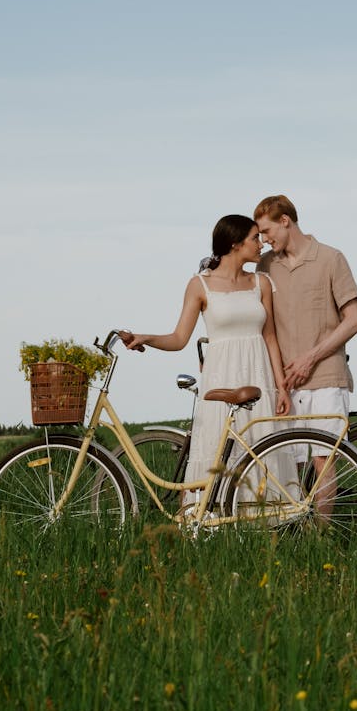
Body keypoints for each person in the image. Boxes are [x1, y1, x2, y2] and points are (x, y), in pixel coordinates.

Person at [119, 214, 294, 502]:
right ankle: (214, 519)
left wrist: (282, 387)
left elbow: (270, 338)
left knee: (261, 446)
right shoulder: (200, 285)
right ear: (235, 244)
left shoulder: (261, 283)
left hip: (259, 378)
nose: (260, 243)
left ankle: (266, 521)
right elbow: (178, 338)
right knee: (218, 448)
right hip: (221, 377)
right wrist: (145, 338)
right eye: (254, 238)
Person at [253, 194, 357, 499]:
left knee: (322, 463)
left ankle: (321, 541)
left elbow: (354, 320)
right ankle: (296, 538)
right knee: (288, 466)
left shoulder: (331, 258)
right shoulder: (265, 266)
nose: (263, 239)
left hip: (325, 378)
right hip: (284, 385)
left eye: (266, 231)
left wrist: (310, 358)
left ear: (285, 221)